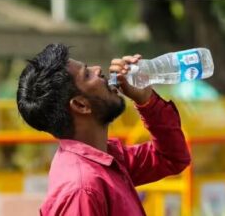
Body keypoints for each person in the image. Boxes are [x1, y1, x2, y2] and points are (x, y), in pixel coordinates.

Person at [16, 43, 191, 216]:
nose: (98, 70)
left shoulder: (106, 160)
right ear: (80, 104)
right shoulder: (83, 189)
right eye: (87, 74)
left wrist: (146, 100)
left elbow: (172, 158)